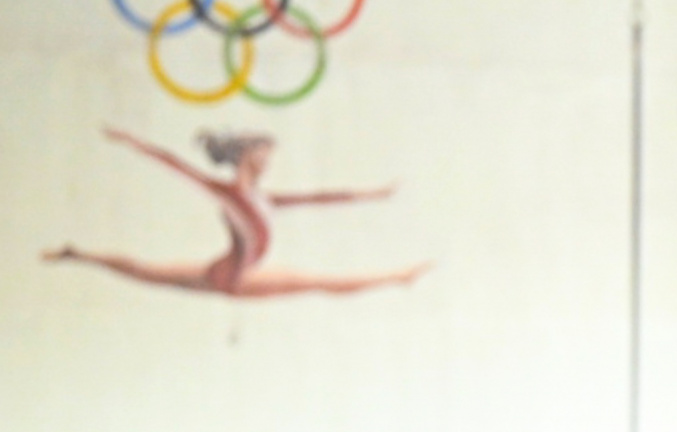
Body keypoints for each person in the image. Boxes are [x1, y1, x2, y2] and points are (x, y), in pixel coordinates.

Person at [43, 127, 429, 296]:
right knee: (318, 282)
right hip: (236, 276)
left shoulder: (263, 199)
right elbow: (178, 166)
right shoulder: (230, 193)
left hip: (226, 270)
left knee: (147, 271)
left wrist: (371, 195)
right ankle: (399, 277)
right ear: (248, 155)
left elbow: (318, 197)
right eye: (265, 154)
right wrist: (132, 142)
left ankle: (77, 255)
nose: (269, 161)